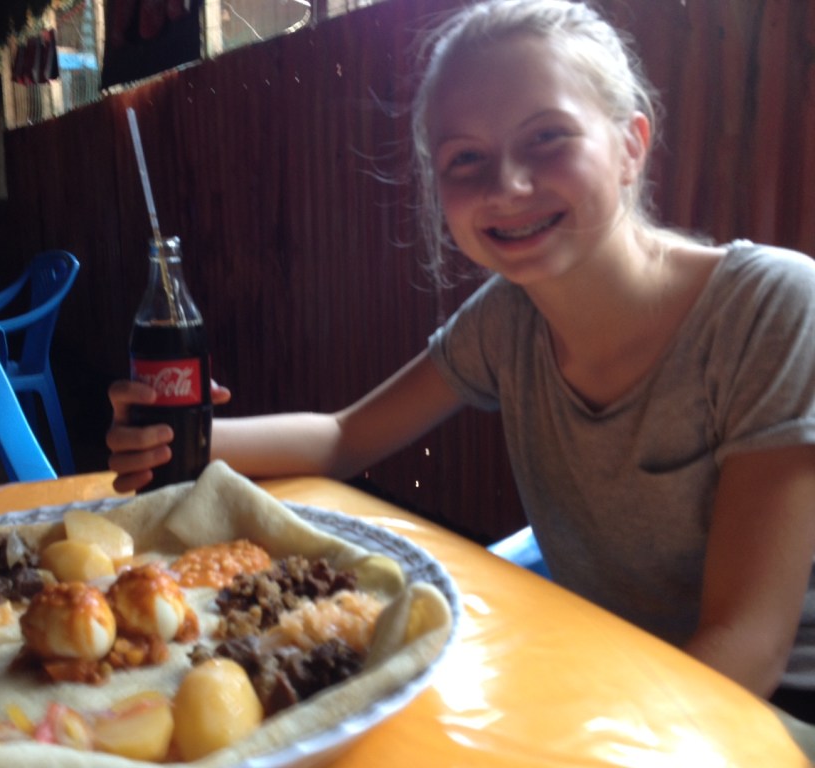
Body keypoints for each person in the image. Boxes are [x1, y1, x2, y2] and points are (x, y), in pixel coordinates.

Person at [106, 0, 815, 725]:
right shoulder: (509, 319)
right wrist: (184, 440)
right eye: (465, 158)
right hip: (599, 671)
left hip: (761, 716)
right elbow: (344, 437)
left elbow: (747, 649)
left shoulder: (772, 308)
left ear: (633, 144)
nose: (506, 184)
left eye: (547, 137)